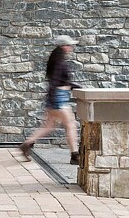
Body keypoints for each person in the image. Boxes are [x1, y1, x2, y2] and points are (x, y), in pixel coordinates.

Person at [19, 35, 81, 164]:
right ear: (64, 46)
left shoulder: (55, 59)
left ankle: (27, 144)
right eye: (69, 45)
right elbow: (56, 81)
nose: (71, 47)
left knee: (48, 126)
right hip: (59, 98)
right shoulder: (59, 61)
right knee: (71, 124)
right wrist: (54, 99)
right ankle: (74, 155)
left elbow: (60, 81)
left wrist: (74, 87)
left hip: (55, 97)